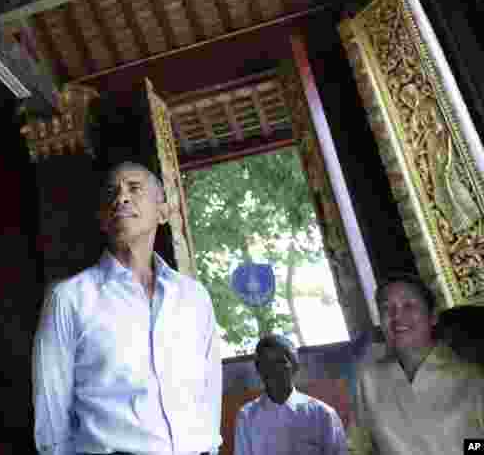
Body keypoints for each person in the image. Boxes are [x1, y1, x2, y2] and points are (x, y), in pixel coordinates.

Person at [32, 160, 222, 455]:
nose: (121, 197)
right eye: (112, 193)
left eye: (134, 189)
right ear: (101, 219)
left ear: (163, 211)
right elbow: (51, 417)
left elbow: (210, 392)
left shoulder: (195, 298)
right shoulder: (69, 298)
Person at [348, 273, 484, 455]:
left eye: (408, 305)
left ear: (433, 316)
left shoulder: (472, 378)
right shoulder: (369, 380)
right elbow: (355, 449)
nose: (396, 316)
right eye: (386, 309)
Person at [234, 335, 345, 455]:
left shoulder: (323, 415)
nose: (272, 369)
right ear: (258, 370)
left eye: (280, 362)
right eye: (265, 363)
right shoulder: (247, 417)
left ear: (295, 365)